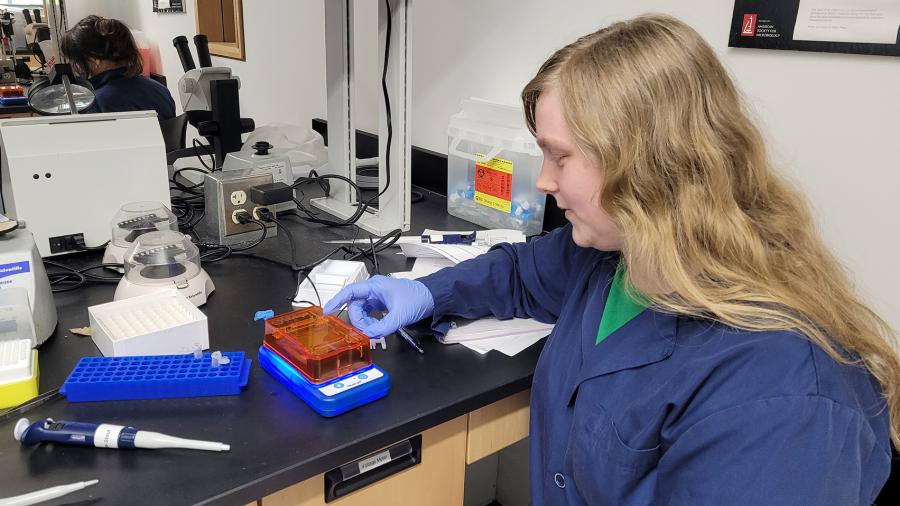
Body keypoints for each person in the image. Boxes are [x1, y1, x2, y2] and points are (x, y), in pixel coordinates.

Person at [324, 14, 899, 505]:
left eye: (560, 158)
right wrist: (427, 293)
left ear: (647, 166)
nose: (544, 181)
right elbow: (521, 272)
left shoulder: (784, 399)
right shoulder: (616, 255)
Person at [60, 15, 175, 120]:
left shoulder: (96, 103)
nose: (76, 67)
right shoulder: (160, 90)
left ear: (95, 59)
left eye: (77, 60)